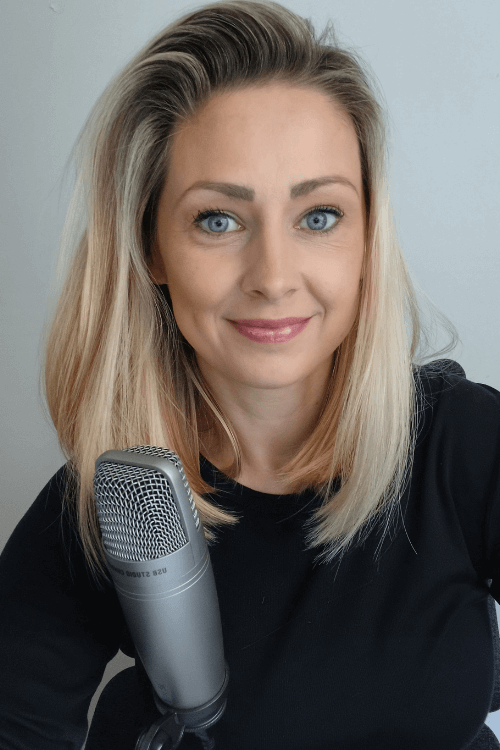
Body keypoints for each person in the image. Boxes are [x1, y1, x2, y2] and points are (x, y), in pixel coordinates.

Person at [1, 1, 499, 748]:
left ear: (368, 237)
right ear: (152, 247)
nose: (273, 277)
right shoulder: (120, 504)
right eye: (218, 219)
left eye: (319, 216)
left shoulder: (464, 443)